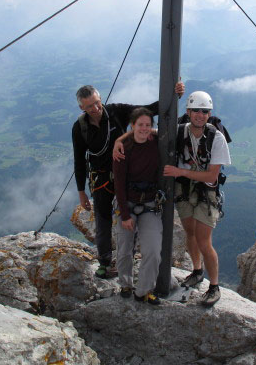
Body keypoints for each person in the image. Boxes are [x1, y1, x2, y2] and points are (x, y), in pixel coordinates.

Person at [72, 82, 183, 279]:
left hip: (126, 174)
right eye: (90, 106)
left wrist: (173, 95)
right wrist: (81, 192)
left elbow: (147, 111)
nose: (96, 109)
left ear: (100, 99)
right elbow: (79, 160)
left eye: (97, 103)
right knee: (103, 220)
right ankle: (105, 264)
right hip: (102, 179)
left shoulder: (116, 112)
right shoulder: (80, 128)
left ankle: (135, 260)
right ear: (82, 107)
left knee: (132, 213)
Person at [163, 91, 230, 307]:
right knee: (190, 233)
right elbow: (151, 134)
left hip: (206, 193)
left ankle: (214, 286)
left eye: (205, 111)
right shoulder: (180, 132)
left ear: (209, 114)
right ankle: (197, 270)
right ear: (188, 112)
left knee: (203, 240)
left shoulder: (216, 138)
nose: (201, 115)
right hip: (185, 191)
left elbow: (211, 175)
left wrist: (180, 172)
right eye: (197, 111)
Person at [112, 108, 162, 304]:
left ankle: (144, 290)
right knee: (124, 248)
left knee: (152, 249)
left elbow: (165, 132)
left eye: (148, 125)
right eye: (140, 125)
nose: (144, 128)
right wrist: (124, 215)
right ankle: (125, 283)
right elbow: (119, 184)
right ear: (132, 126)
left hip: (149, 203)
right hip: (127, 203)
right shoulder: (124, 147)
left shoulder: (156, 141)